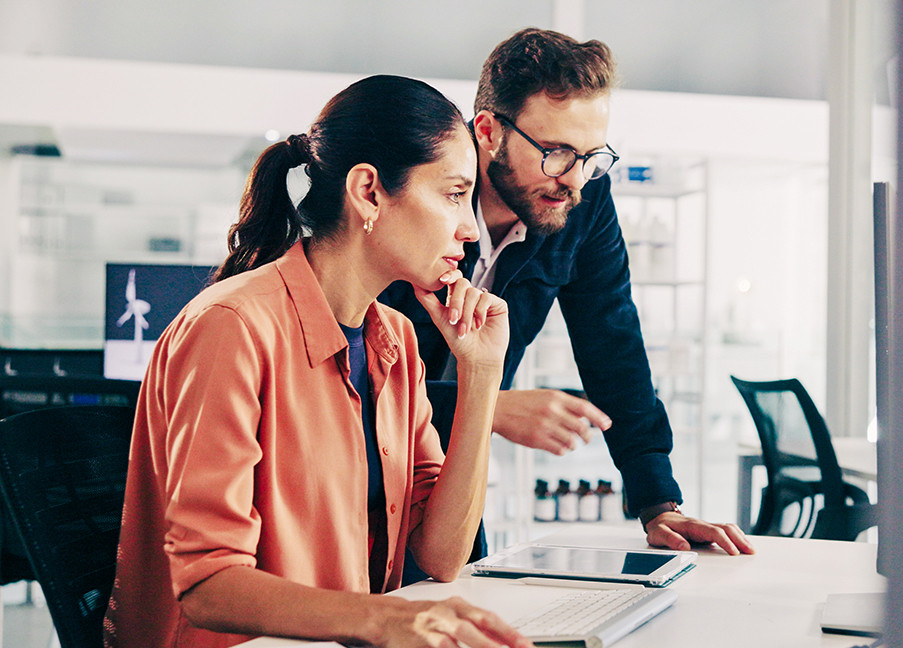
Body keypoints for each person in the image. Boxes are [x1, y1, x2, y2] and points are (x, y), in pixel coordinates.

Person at [104, 75, 532, 648]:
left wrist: (481, 373)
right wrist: (382, 620)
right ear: (369, 192)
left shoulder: (397, 342)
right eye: (454, 195)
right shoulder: (230, 328)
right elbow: (207, 583)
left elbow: (441, 555)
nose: (467, 229)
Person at [380, 28, 754, 561]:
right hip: (356, 468)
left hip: (452, 474)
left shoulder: (583, 198)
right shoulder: (415, 182)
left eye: (591, 156)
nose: (574, 180)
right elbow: (349, 376)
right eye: (555, 153)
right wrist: (491, 409)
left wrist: (658, 503)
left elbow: (614, 344)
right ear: (487, 131)